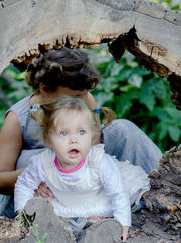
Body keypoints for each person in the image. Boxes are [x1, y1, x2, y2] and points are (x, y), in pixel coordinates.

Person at [0, 47, 162, 218]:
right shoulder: (18, 118)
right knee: (30, 158)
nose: (84, 100)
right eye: (77, 96)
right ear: (46, 89)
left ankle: (162, 191)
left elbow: (93, 147)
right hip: (44, 183)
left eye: (85, 94)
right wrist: (38, 174)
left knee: (123, 129)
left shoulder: (85, 99)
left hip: (82, 175)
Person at [14, 96, 150, 241]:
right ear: (48, 140)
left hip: (99, 201)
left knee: (109, 216)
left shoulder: (99, 162)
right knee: (50, 223)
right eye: (64, 133)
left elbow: (117, 193)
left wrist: (123, 224)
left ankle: (99, 232)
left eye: (81, 132)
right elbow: (24, 184)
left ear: (92, 135)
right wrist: (22, 212)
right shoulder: (42, 163)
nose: (74, 139)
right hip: (64, 205)